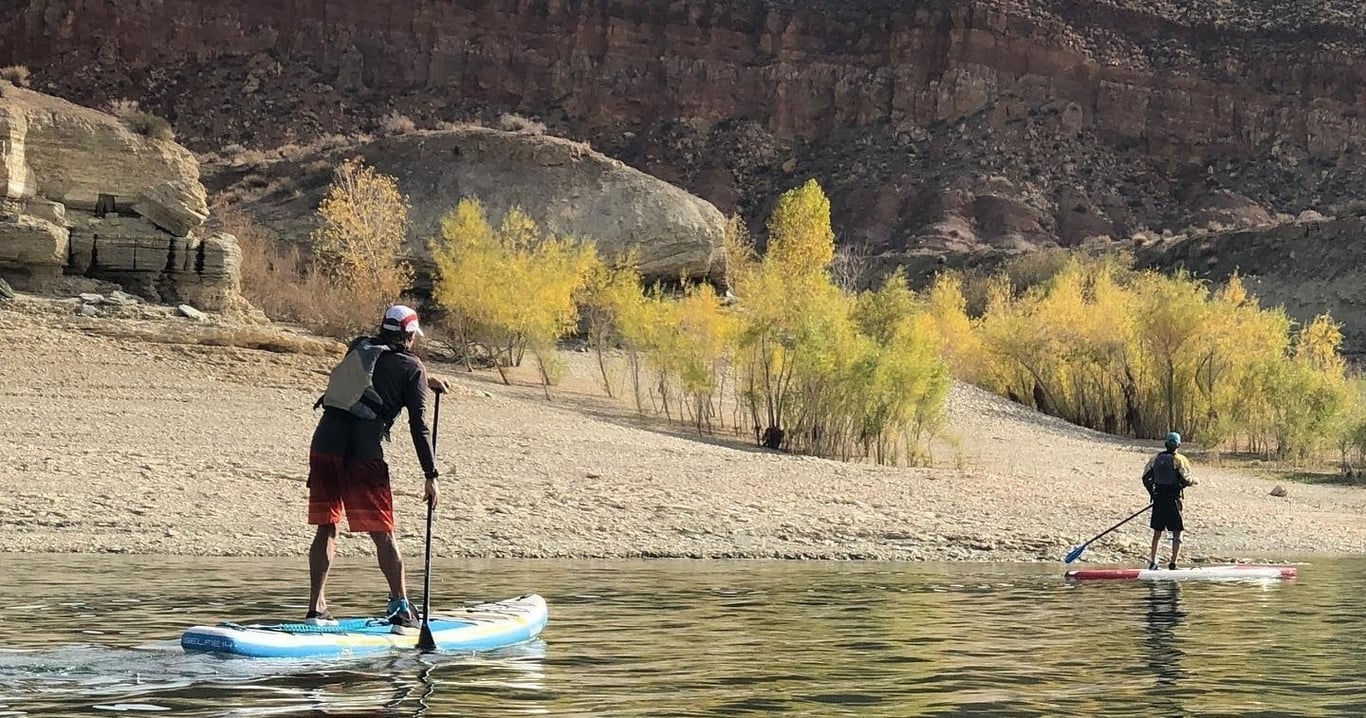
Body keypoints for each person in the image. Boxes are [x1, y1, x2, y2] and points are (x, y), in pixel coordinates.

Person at [305, 304, 449, 629]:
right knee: (382, 534)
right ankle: (400, 608)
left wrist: (426, 379)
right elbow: (419, 427)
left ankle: (316, 610)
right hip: (363, 456)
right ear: (410, 335)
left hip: (324, 444)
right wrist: (431, 476)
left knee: (327, 526)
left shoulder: (358, 346)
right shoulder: (413, 368)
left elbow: (376, 372)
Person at [1141, 431, 1198, 571]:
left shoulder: (1155, 458)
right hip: (1173, 499)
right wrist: (1194, 482)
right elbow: (1186, 479)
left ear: (1166, 444)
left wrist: (1153, 494)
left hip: (1159, 499)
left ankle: (1153, 563)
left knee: (1157, 531)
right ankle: (1173, 564)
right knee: (1177, 531)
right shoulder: (1180, 460)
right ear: (1178, 445)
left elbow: (1145, 478)